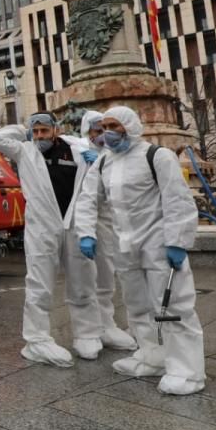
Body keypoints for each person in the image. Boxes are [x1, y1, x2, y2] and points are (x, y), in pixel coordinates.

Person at [76, 106, 205, 395]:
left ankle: (188, 371)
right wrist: (86, 233)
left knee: (173, 306)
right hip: (125, 245)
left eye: (113, 126)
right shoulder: (103, 163)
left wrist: (177, 240)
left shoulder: (157, 156)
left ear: (130, 126)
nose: (106, 132)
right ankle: (152, 355)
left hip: (158, 242)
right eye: (103, 126)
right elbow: (88, 198)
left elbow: (177, 199)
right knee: (137, 305)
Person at [0, 113, 103, 367]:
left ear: (55, 129)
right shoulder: (25, 151)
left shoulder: (75, 149)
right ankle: (37, 340)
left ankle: (87, 334)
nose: (40, 136)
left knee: (83, 281)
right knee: (39, 285)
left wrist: (97, 162)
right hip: (42, 227)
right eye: (36, 131)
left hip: (74, 223)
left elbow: (99, 170)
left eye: (44, 130)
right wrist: (23, 128)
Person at [67, 110, 139, 353]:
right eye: (96, 131)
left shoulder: (114, 155)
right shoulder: (77, 148)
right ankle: (87, 332)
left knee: (107, 275)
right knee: (83, 280)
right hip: (82, 222)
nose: (101, 135)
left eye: (105, 129)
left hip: (109, 221)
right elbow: (86, 198)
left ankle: (107, 325)